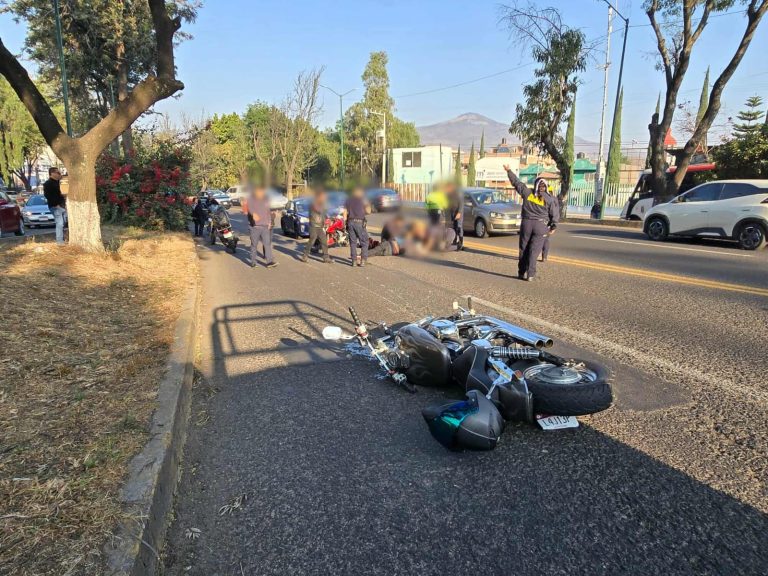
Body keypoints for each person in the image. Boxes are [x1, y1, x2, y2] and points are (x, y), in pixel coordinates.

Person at [504, 166, 558, 281]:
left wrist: (509, 171)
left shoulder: (528, 192)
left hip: (526, 224)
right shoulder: (549, 199)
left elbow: (516, 183)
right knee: (534, 251)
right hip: (541, 226)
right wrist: (553, 226)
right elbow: (554, 214)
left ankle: (521, 272)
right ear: (546, 187)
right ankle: (530, 274)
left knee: (523, 248)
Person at [243, 186, 278, 268]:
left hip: (264, 226)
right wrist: (253, 214)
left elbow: (268, 211)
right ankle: (253, 262)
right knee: (254, 245)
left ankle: (269, 262)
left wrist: (269, 222)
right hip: (254, 227)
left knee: (267, 244)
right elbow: (249, 208)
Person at [301, 188, 331, 264]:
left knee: (324, 241)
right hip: (314, 225)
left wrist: (327, 219)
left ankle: (326, 257)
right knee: (312, 240)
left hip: (320, 226)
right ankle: (305, 255)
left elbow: (324, 214)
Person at [342, 186, 369, 267]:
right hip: (359, 222)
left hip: (350, 222)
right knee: (364, 241)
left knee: (353, 242)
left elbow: (344, 212)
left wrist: (345, 223)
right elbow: (368, 211)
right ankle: (363, 260)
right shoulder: (363, 199)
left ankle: (354, 261)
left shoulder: (348, 199)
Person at [43, 167, 66, 245]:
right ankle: (59, 241)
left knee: (63, 223)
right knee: (60, 223)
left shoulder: (57, 182)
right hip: (55, 207)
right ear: (52, 173)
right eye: (57, 172)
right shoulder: (48, 183)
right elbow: (47, 195)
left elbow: (62, 179)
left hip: (61, 206)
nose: (59, 174)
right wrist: (55, 205)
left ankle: (62, 239)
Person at [540, 185, 559, 262]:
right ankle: (544, 257)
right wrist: (553, 226)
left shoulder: (542, 197)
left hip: (540, 221)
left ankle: (531, 257)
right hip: (547, 223)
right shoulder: (554, 199)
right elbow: (556, 213)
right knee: (545, 240)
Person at [446, 182, 464, 250]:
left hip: (458, 212)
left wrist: (459, 212)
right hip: (453, 212)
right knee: (454, 227)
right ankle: (454, 241)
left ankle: (460, 243)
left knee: (459, 227)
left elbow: (461, 203)